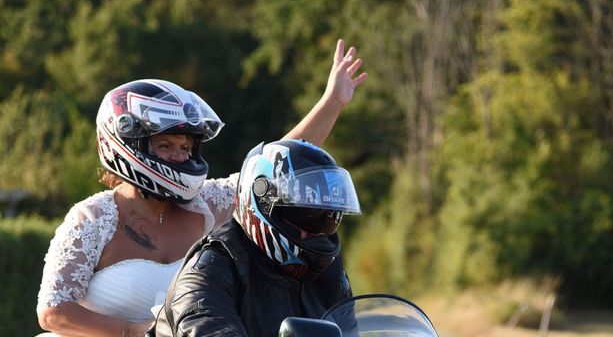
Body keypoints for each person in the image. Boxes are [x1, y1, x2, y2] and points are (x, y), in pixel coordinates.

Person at [36, 39, 367, 337]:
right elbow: (53, 311)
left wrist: (332, 103)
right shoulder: (93, 218)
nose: (179, 156)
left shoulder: (206, 202)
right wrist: (135, 332)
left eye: (185, 147)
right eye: (165, 146)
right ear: (127, 142)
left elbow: (272, 171)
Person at [150, 138, 361, 337]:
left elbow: (349, 331)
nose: (315, 233)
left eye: (327, 219)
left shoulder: (329, 271)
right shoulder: (209, 270)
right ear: (261, 203)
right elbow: (207, 327)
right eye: (306, 216)